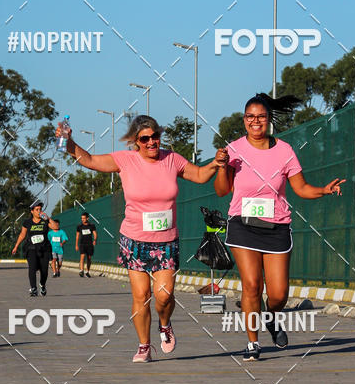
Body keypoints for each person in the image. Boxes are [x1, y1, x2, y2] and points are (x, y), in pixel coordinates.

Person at [66, 115, 227, 363]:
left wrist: (216, 164)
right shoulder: (125, 160)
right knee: (141, 296)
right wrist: (68, 141)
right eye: (145, 139)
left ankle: (165, 324)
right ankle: (144, 345)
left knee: (164, 295)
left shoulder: (171, 159)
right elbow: (88, 160)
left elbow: (199, 175)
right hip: (134, 240)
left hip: (166, 241)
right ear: (135, 141)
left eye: (155, 136)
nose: (151, 142)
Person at [215, 92, 345, 361]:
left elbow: (302, 188)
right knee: (252, 285)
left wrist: (323, 190)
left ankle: (271, 317)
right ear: (244, 120)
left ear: (269, 119)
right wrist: (222, 167)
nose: (255, 121)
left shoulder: (285, 151)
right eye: (250, 117)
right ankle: (252, 343)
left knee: (278, 294)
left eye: (261, 116)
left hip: (277, 227)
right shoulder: (234, 149)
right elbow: (221, 190)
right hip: (242, 224)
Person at [12, 200, 57, 296]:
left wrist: (48, 218)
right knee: (32, 268)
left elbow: (55, 227)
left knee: (44, 270)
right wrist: (16, 246)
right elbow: (22, 234)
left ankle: (42, 284)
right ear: (32, 211)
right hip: (31, 248)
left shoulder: (45, 221)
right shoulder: (27, 222)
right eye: (37, 210)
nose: (39, 211)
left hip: (44, 249)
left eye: (40, 209)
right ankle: (33, 288)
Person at [76, 213, 97, 278]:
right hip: (82, 244)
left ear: (87, 218)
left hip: (89, 244)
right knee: (82, 256)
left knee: (89, 258)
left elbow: (95, 234)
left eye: (84, 218)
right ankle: (81, 270)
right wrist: (76, 245)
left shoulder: (92, 225)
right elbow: (77, 236)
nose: (82, 219)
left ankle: (87, 271)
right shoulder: (79, 226)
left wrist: (95, 240)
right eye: (81, 218)